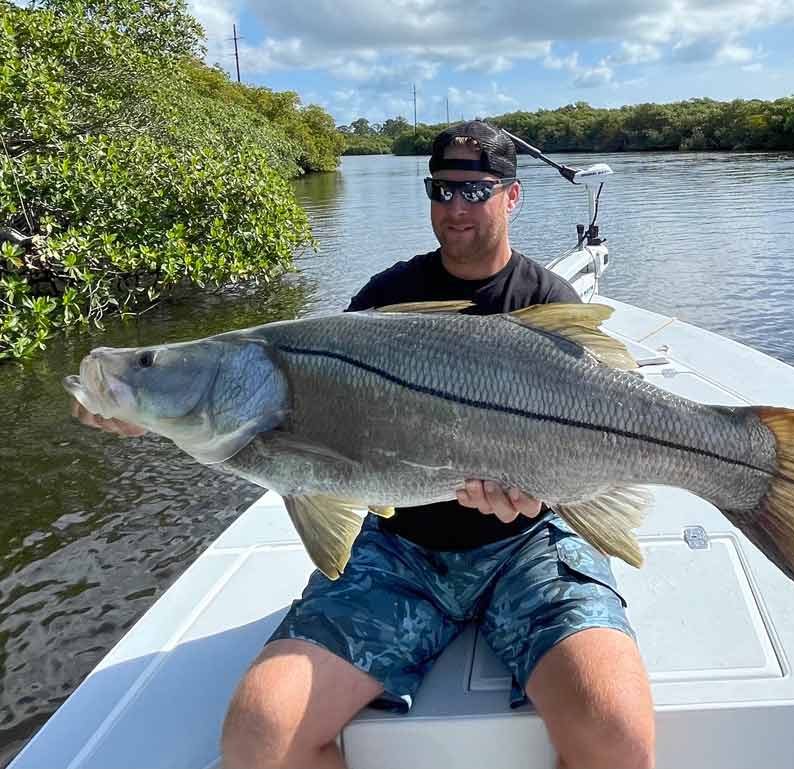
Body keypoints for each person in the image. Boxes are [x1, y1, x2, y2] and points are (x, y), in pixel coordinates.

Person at [73, 121, 655, 769]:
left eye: (475, 190)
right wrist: (144, 407)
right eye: (441, 189)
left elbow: (601, 424)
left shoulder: (547, 298)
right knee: (259, 734)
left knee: (618, 736)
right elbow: (300, 461)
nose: (455, 207)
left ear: (512, 196)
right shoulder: (381, 300)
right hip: (401, 549)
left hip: (529, 544)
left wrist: (539, 495)